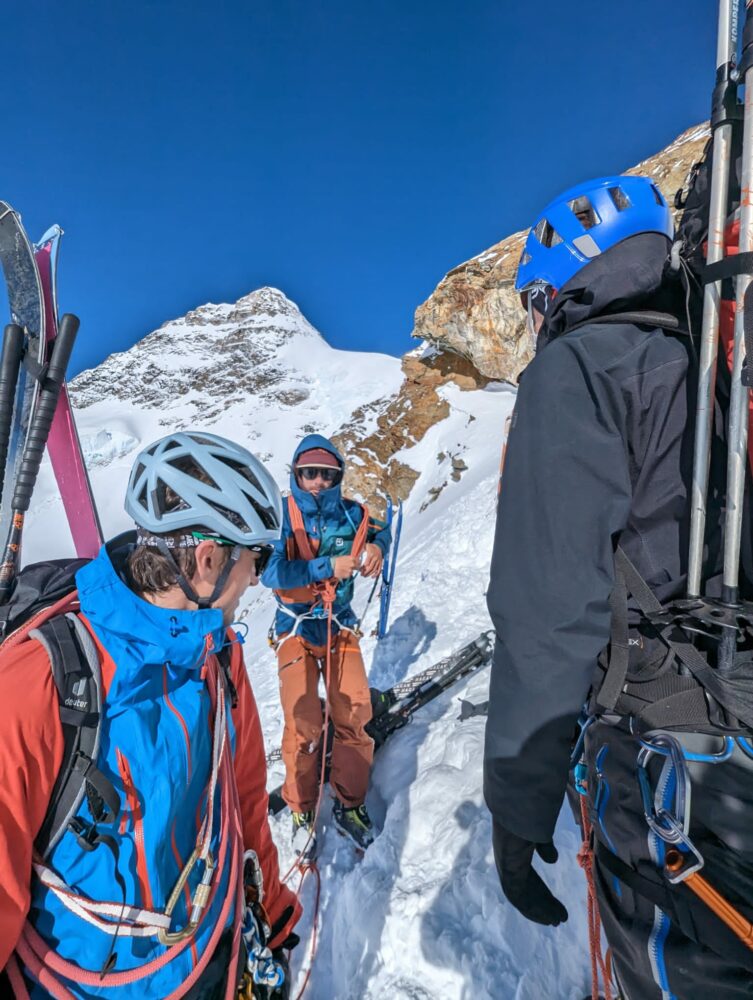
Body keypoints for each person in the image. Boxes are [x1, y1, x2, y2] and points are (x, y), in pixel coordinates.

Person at [484, 174, 753, 999]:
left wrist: (516, 800)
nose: (534, 321)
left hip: (661, 740)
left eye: (535, 298)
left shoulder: (578, 368)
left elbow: (548, 604)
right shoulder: (707, 353)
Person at [0, 431, 301, 999]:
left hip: (206, 961)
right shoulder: (39, 681)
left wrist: (271, 909)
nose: (259, 578)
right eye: (255, 559)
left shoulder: (219, 657)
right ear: (210, 559)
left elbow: (241, 798)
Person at [261, 434, 391, 853]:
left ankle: (349, 803)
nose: (317, 481)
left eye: (326, 474)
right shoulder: (282, 517)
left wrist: (375, 548)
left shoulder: (354, 515)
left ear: (337, 477)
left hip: (341, 627)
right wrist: (326, 566)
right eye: (309, 473)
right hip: (295, 630)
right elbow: (272, 573)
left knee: (353, 712)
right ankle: (301, 803)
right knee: (303, 722)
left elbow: (382, 530)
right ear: (297, 474)